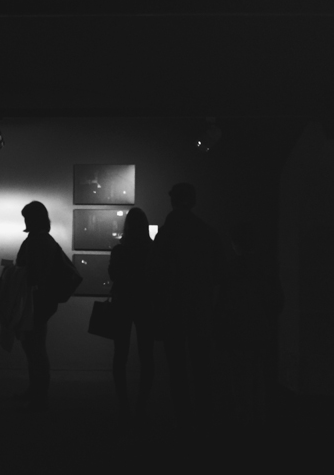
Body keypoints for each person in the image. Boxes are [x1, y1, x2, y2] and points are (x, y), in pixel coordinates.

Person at [150, 183, 223, 430]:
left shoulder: (166, 234)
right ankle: (204, 417)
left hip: (173, 310)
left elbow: (155, 273)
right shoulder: (207, 232)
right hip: (200, 309)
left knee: (177, 369)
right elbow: (218, 274)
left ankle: (183, 419)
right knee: (202, 367)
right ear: (193, 201)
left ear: (173, 201)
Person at [213, 221, 283, 429]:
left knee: (239, 377)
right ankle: (259, 417)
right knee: (259, 376)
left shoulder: (231, 268)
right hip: (261, 330)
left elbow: (222, 303)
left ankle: (244, 417)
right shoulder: (265, 267)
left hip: (237, 332)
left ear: (235, 243)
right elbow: (277, 300)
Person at [108, 207, 155, 428]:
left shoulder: (120, 250)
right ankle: (141, 406)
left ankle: (124, 406)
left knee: (120, 356)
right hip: (145, 303)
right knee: (147, 356)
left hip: (123, 303)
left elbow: (113, 275)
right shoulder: (152, 250)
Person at [15, 201, 60, 412]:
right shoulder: (46, 240)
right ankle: (37, 392)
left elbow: (32, 271)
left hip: (34, 302)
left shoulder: (36, 241)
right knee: (36, 347)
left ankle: (39, 394)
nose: (25, 221)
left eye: (27, 218)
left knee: (35, 349)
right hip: (41, 302)